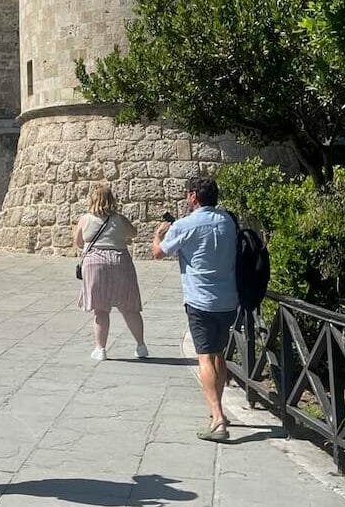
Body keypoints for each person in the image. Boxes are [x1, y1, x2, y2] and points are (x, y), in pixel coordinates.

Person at [152, 174, 239, 443]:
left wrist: (158, 234)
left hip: (201, 301)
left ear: (193, 196)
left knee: (204, 357)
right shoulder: (229, 221)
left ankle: (218, 419)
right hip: (228, 300)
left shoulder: (184, 225)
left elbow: (158, 253)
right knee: (218, 355)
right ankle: (216, 412)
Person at [74, 181, 148, 361]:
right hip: (120, 261)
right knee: (130, 308)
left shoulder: (85, 219)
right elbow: (134, 233)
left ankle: (100, 349)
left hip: (95, 263)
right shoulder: (120, 219)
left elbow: (78, 242)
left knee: (101, 309)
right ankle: (141, 346)